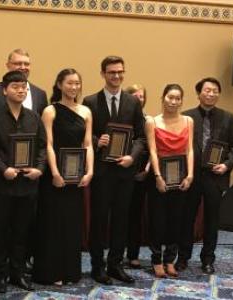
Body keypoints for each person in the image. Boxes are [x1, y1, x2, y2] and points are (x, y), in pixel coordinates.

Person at [0, 70, 46, 293]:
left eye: (23, 87)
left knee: (22, 232)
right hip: (3, 185)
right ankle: (0, 275)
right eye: (15, 87)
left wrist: (39, 168)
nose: (20, 90)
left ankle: (17, 273)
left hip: (28, 185)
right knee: (0, 231)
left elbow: (42, 148)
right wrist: (3, 168)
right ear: (4, 90)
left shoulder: (34, 117)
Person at [83, 56, 145, 285]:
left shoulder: (133, 102)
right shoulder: (90, 102)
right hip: (101, 172)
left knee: (121, 220)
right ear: (103, 74)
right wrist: (97, 140)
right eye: (111, 72)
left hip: (125, 172)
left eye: (120, 72)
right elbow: (83, 133)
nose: (117, 76)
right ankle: (97, 267)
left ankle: (116, 265)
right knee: (99, 220)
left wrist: (132, 157)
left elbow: (141, 136)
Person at [33, 68, 93, 285]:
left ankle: (69, 271)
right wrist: (56, 173)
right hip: (54, 176)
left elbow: (87, 144)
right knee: (52, 223)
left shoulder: (86, 111)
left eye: (77, 83)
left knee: (71, 223)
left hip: (76, 176)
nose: (74, 87)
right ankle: (51, 272)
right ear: (59, 85)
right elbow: (47, 144)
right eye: (69, 83)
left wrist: (90, 171)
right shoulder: (50, 110)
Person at [177, 78, 233, 274]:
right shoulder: (186, 117)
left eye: (215, 91)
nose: (211, 94)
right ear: (199, 94)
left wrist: (226, 165)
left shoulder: (228, 117)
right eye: (207, 90)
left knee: (212, 220)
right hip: (191, 176)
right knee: (186, 218)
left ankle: (208, 259)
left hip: (215, 177)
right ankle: (183, 257)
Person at [145, 84, 194, 278]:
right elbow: (153, 151)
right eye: (170, 97)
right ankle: (156, 260)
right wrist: (157, 176)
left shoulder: (189, 121)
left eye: (177, 98)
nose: (173, 102)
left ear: (181, 100)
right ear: (163, 98)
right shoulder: (152, 121)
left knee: (177, 220)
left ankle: (169, 260)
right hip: (159, 177)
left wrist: (190, 175)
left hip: (182, 176)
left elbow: (189, 149)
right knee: (158, 220)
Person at [124, 84, 149, 269]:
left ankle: (133, 254)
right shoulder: (122, 117)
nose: (138, 99)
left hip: (141, 175)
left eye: (141, 96)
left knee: (135, 217)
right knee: (119, 216)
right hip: (120, 173)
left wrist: (146, 170)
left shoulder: (149, 120)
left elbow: (153, 149)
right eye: (134, 95)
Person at [0, 49, 47, 115]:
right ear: (8, 65)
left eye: (26, 64)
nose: (23, 67)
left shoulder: (40, 94)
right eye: (18, 63)